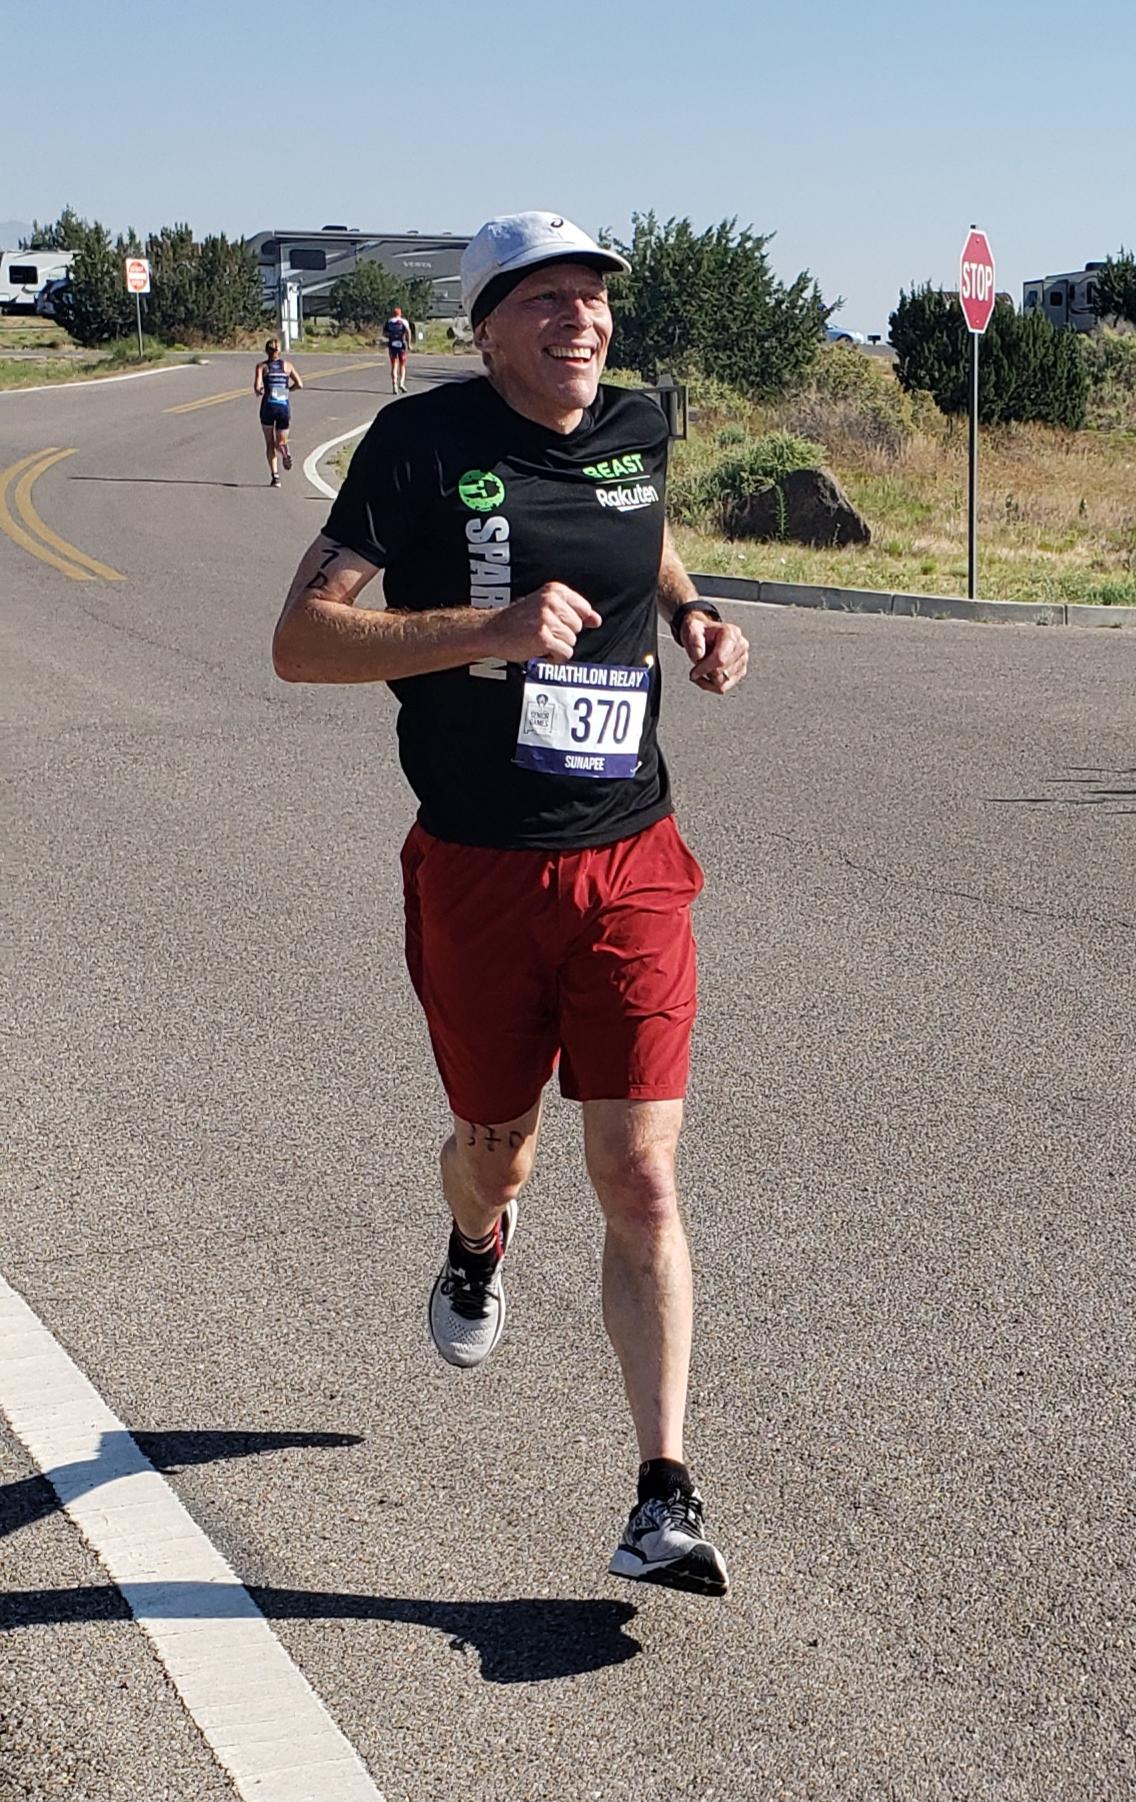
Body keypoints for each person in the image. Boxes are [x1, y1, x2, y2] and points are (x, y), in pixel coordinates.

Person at [272, 211, 749, 1595]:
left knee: (640, 1170)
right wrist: (487, 627)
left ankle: (661, 1492)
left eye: (593, 298)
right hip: (480, 865)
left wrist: (691, 613)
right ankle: (475, 1237)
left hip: (629, 852)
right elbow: (300, 639)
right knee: (500, 1153)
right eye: (545, 302)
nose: (579, 321)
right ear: (484, 330)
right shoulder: (420, 445)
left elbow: (644, 531)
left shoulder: (638, 426)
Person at [254, 339, 303, 487]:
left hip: (268, 406)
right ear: (279, 351)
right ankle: (285, 452)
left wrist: (260, 390)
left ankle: (275, 477)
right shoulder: (287, 366)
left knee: (270, 443)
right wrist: (287, 390)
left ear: (266, 351)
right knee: (281, 442)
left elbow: (257, 387)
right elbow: (300, 384)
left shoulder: (261, 367)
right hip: (283, 406)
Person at [383, 305, 412, 393]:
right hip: (401, 344)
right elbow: (408, 332)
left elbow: (385, 333)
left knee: (394, 365)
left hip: (392, 344)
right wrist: (409, 344)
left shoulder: (389, 321)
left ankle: (394, 384)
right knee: (402, 365)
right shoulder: (404, 321)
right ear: (400, 314)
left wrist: (390, 336)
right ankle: (401, 383)